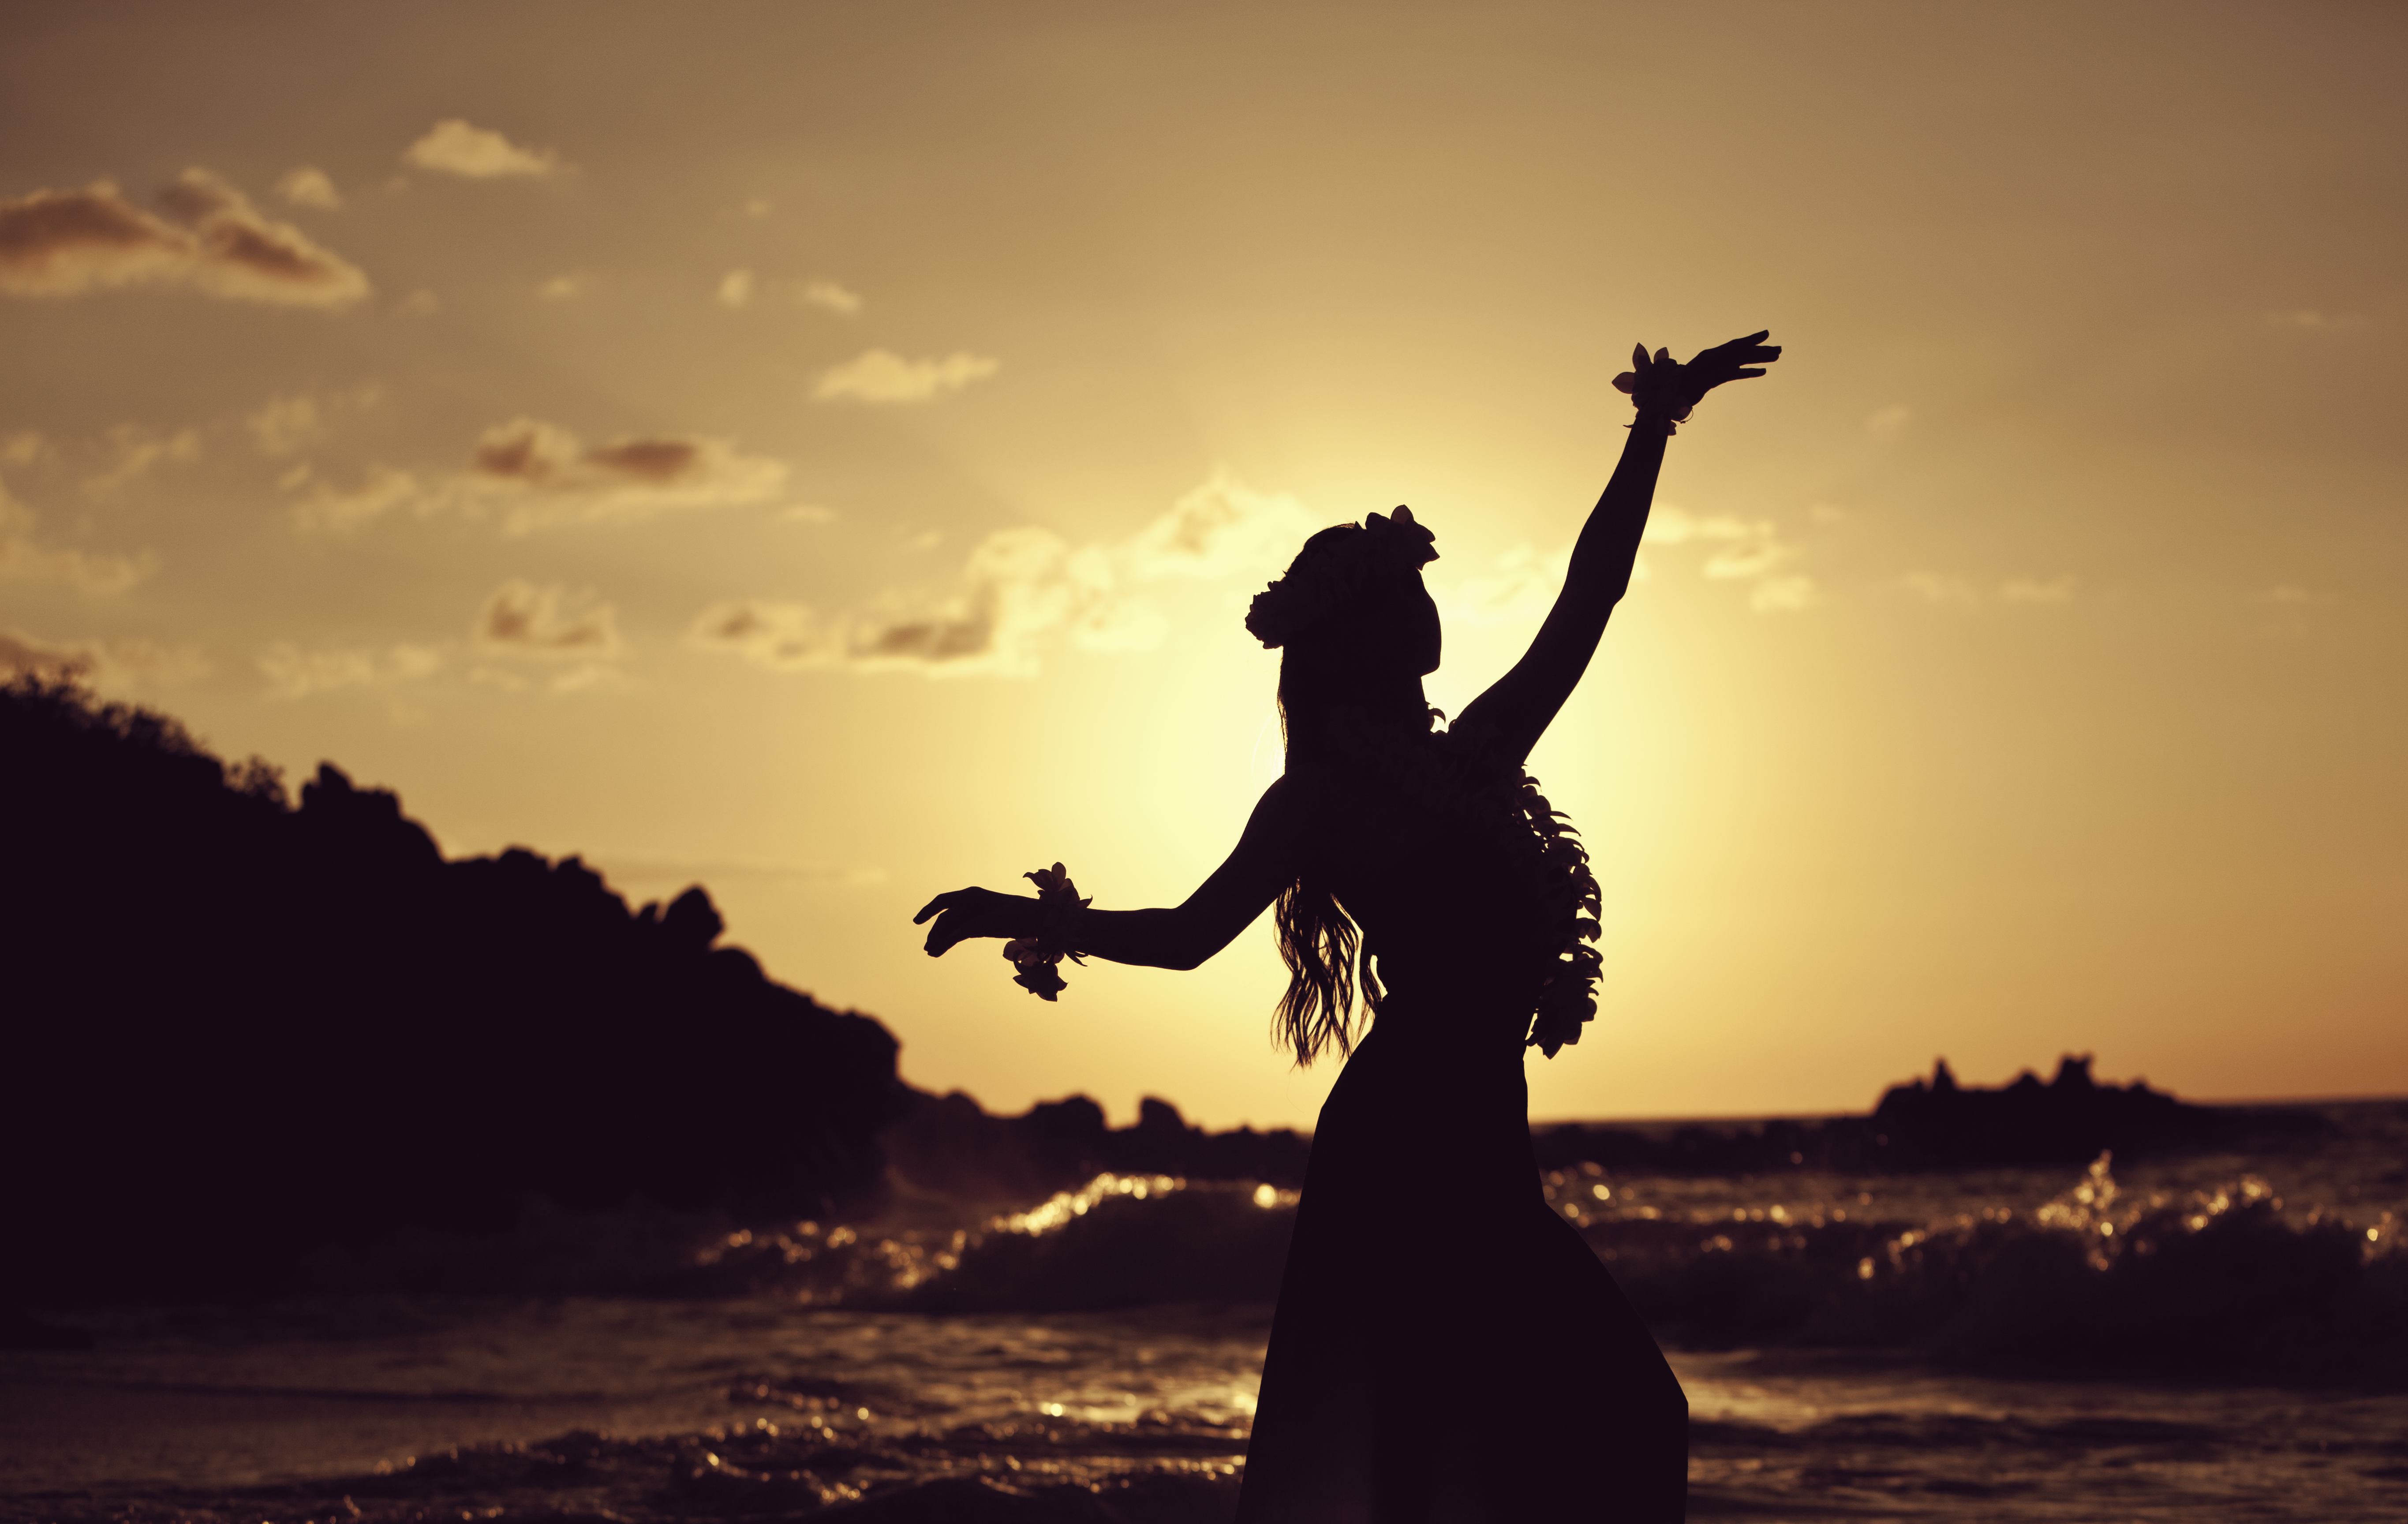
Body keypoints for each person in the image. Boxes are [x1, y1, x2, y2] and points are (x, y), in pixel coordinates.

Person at [916, 332, 1782, 1521]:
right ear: (1363, 639)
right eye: (1402, 591)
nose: (1427, 598)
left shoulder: (1475, 761)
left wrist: (1652, 428)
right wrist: (1028, 914)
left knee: (1589, 1423)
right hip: (1405, 1150)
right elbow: (1185, 934)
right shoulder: (1315, 804)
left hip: (1478, 1150)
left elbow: (1591, 598)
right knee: (1449, 1445)